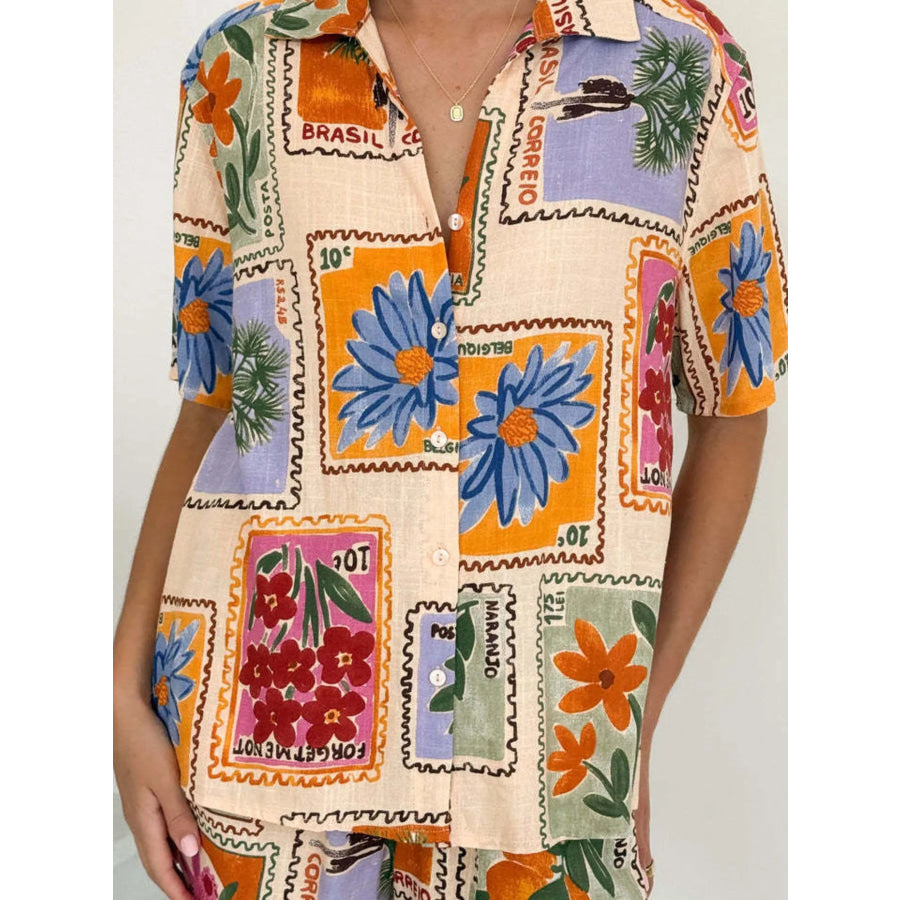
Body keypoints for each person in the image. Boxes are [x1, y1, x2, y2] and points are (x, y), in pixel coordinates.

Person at [113, 1, 788, 898]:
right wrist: (120, 692)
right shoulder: (241, 62)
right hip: (262, 759)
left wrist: (627, 723)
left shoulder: (683, 67)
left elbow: (734, 405)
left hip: (548, 781)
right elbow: (218, 401)